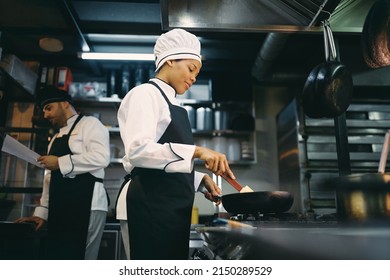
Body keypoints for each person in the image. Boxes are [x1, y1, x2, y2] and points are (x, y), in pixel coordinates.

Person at [116, 28, 235, 260]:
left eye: (197, 73)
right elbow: (139, 152)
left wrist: (200, 179)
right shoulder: (145, 94)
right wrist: (198, 151)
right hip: (147, 206)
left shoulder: (174, 105)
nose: (194, 78)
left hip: (168, 209)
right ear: (170, 60)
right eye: (191, 69)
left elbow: (164, 162)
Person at [16, 85, 110, 260]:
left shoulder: (90, 124)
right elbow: (49, 179)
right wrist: (42, 213)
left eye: (49, 108)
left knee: (81, 259)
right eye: (44, 110)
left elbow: (101, 157)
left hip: (87, 204)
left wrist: (60, 162)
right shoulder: (55, 139)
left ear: (65, 104)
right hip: (61, 209)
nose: (46, 115)